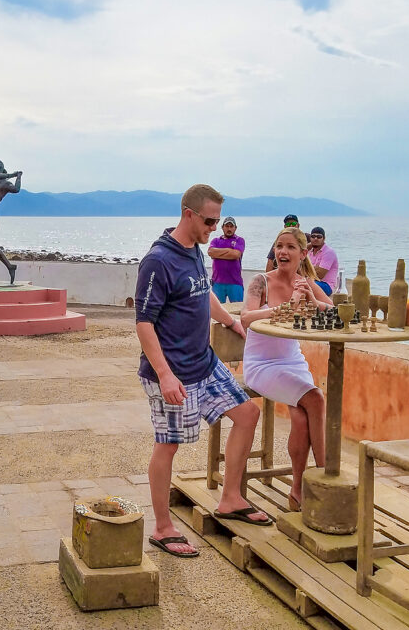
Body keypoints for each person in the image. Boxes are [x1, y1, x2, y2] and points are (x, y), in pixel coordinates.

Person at [136, 183, 267, 559]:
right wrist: (164, 375)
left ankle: (231, 498)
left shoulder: (194, 250)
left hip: (204, 362)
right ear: (188, 214)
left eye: (217, 220)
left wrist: (231, 321)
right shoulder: (158, 261)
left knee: (247, 413)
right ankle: (163, 527)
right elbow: (144, 323)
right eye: (209, 220)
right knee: (169, 444)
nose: (214, 227)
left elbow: (203, 290)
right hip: (172, 370)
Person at [241, 227, 331, 511]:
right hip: (261, 365)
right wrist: (286, 308)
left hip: (293, 362)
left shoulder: (305, 281)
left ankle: (298, 490)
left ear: (303, 254)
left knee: (303, 419)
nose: (283, 252)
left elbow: (332, 310)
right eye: (279, 246)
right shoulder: (260, 282)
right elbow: (246, 318)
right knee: (315, 398)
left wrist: (313, 301)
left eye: (291, 247)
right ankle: (326, 478)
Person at [207, 216, 245, 302]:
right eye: (227, 226)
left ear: (235, 228)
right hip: (217, 283)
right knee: (217, 312)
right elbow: (210, 252)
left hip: (235, 282)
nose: (229, 229)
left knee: (237, 311)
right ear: (222, 227)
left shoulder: (239, 240)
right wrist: (229, 251)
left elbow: (236, 254)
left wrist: (217, 254)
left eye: (231, 226)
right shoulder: (215, 241)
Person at [306, 226, 339, 297]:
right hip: (312, 281)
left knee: (304, 285)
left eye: (319, 237)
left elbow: (320, 275)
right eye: (313, 236)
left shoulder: (328, 252)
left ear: (324, 239)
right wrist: (314, 268)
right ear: (310, 238)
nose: (315, 239)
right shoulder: (309, 252)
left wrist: (306, 269)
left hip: (326, 285)